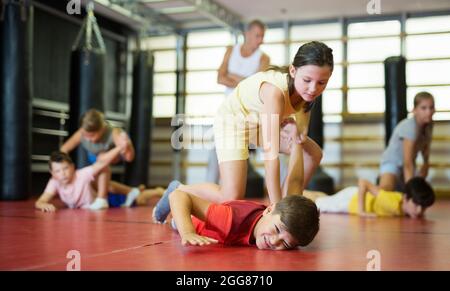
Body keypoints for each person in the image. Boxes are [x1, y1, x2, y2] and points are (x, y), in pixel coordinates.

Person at [179, 41, 333, 206]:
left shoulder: (307, 96)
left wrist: (296, 131)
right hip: (233, 122)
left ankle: (290, 204)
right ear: (293, 71)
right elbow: (270, 157)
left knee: (313, 153)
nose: (313, 89)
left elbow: (300, 138)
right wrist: (275, 207)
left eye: (321, 83)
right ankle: (179, 190)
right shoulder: (275, 93)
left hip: (259, 123)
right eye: (307, 80)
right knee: (231, 195)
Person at [153, 181, 320, 250]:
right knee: (175, 221)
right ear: (269, 210)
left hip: (233, 210)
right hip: (195, 219)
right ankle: (178, 184)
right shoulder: (230, 220)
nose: (274, 241)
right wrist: (188, 232)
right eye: (276, 229)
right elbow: (178, 197)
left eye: (285, 243)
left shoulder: (272, 220)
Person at [206, 19, 270, 184]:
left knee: (272, 147)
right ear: (247, 34)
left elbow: (256, 85)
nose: (260, 40)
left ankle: (285, 196)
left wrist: (232, 75)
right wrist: (246, 80)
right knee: (215, 152)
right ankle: (208, 193)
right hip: (229, 112)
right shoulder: (230, 50)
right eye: (257, 35)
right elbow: (220, 77)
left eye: (262, 36)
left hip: (252, 113)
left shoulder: (264, 58)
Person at [35, 148, 161, 212]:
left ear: (73, 167)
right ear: (52, 173)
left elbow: (102, 163)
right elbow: (40, 201)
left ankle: (158, 191)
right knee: (126, 191)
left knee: (140, 200)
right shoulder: (54, 182)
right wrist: (43, 205)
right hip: (88, 208)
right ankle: (139, 189)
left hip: (106, 200)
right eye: (57, 171)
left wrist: (119, 148)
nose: (63, 174)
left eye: (66, 168)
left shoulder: (81, 174)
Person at [60, 109, 135, 209]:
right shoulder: (81, 133)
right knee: (103, 185)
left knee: (101, 159)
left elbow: (129, 158)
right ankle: (132, 191)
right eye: (85, 135)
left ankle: (102, 199)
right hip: (96, 158)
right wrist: (64, 168)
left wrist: (125, 145)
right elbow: (64, 149)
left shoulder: (114, 132)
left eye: (91, 136)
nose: (87, 139)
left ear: (102, 129)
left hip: (111, 157)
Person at [303, 177, 435, 219]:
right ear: (406, 198)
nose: (419, 211)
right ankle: (296, 193)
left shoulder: (402, 202)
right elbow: (363, 182)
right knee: (319, 204)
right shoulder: (392, 203)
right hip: (350, 201)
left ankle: (305, 191)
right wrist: (362, 210)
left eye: (423, 208)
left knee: (327, 199)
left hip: (352, 196)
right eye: (416, 205)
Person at [379, 92, 435, 191]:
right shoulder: (409, 126)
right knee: (386, 191)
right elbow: (407, 163)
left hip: (409, 164)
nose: (428, 112)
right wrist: (411, 191)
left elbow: (425, 150)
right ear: (414, 110)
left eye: (431, 107)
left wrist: (425, 167)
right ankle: (365, 187)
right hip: (393, 162)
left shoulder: (429, 126)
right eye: (423, 108)